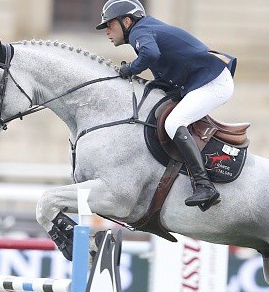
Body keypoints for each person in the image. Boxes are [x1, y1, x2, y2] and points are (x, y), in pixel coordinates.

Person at [97, 0, 237, 210]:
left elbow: (151, 54)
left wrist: (131, 69)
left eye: (109, 24)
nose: (107, 31)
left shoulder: (139, 32)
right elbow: (161, 69)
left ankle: (204, 185)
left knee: (174, 123)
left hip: (214, 83)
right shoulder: (145, 29)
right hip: (209, 80)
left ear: (126, 21)